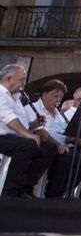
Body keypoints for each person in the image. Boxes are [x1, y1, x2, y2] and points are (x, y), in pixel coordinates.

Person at [0, 64, 55, 198]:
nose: (23, 84)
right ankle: (10, 190)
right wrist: (27, 134)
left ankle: (24, 187)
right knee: (27, 145)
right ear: (9, 79)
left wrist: (32, 125)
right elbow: (8, 118)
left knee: (48, 149)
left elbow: (21, 123)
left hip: (13, 137)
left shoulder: (16, 98)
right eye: (21, 80)